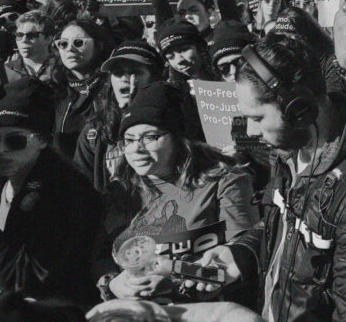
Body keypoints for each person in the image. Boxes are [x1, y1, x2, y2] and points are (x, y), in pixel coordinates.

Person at [184, 8, 346, 321]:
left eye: (257, 118)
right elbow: (285, 230)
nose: (251, 132)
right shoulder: (287, 150)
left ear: (298, 108)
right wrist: (241, 254)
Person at [0, 78, 102, 304]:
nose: (0, 150)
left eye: (15, 141)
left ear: (41, 140)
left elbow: (36, 281)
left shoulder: (67, 189)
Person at [103, 82, 258, 302]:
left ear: (180, 139)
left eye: (150, 137)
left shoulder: (224, 181)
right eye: (129, 140)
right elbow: (101, 257)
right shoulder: (121, 190)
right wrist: (112, 283)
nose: (136, 149)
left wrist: (176, 278)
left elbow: (243, 260)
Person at [74, 41, 166, 193]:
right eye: (118, 72)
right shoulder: (95, 129)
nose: (125, 78)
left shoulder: (174, 120)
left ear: (155, 77)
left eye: (135, 71)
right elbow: (80, 186)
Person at [52, 19, 116, 156]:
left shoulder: (112, 84)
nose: (70, 49)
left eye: (78, 43)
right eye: (63, 44)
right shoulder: (54, 88)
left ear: (98, 45)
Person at [5, 11, 56, 82]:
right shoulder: (8, 71)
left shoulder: (62, 67)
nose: (23, 40)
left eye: (32, 35)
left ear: (48, 39)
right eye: (19, 35)